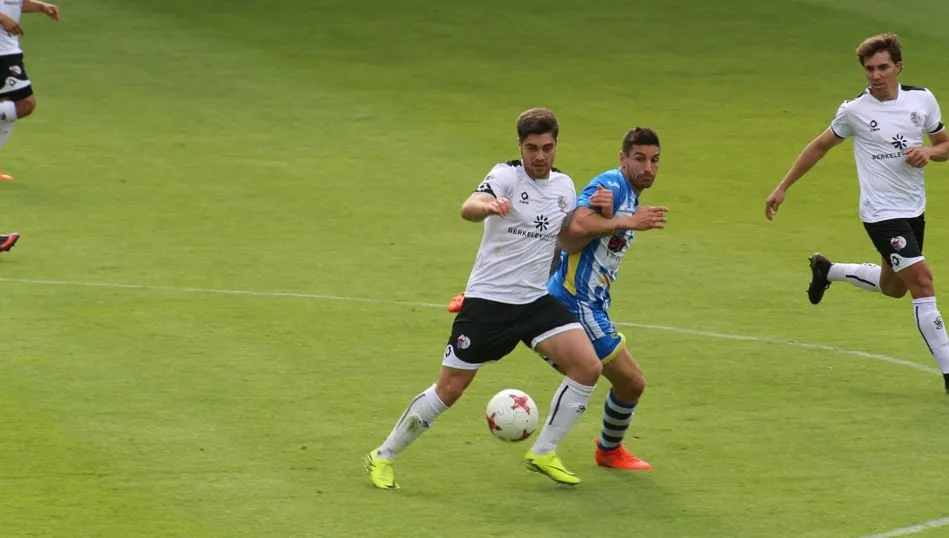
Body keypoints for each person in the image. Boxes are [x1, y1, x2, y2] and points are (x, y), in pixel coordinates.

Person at [365, 108, 660, 490]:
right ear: (520, 146)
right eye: (532, 148)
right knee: (450, 388)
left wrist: (605, 215)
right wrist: (486, 206)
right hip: (490, 303)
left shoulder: (564, 187)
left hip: (535, 302)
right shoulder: (505, 175)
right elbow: (468, 207)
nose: (540, 156)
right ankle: (383, 455)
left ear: (556, 146)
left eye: (548, 147)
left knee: (587, 367)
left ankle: (543, 452)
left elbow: (568, 241)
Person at [765, 33, 949, 391]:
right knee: (922, 282)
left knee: (893, 287)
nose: (876, 75)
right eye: (869, 69)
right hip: (880, 214)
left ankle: (827, 270)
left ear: (898, 67)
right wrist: (782, 187)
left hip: (914, 209)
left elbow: (945, 146)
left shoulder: (922, 99)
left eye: (883, 68)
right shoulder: (855, 111)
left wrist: (929, 153)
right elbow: (819, 146)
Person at [547, 127, 666, 471]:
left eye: (655, 160)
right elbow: (577, 227)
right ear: (623, 158)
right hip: (576, 301)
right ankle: (596, 450)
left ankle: (605, 449)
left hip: (591, 303)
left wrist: (616, 219)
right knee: (630, 380)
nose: (648, 167)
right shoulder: (611, 183)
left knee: (621, 381)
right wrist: (628, 221)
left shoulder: (627, 193)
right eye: (640, 158)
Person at [0, 0, 60, 180]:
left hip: (8, 51)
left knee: (7, 108)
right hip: (3, 55)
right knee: (25, 104)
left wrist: (41, 7)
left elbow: (14, 3)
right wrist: (2, 18)